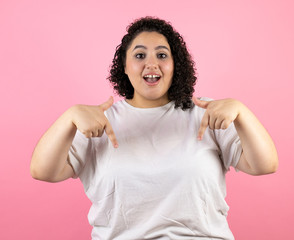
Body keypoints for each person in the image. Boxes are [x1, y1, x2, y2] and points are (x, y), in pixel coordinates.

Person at [31, 16, 278, 240]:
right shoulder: (98, 122)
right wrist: (69, 117)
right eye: (139, 56)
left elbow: (264, 165)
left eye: (162, 55)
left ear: (175, 65)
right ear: (124, 67)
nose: (151, 64)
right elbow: (44, 171)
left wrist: (241, 112)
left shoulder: (207, 114)